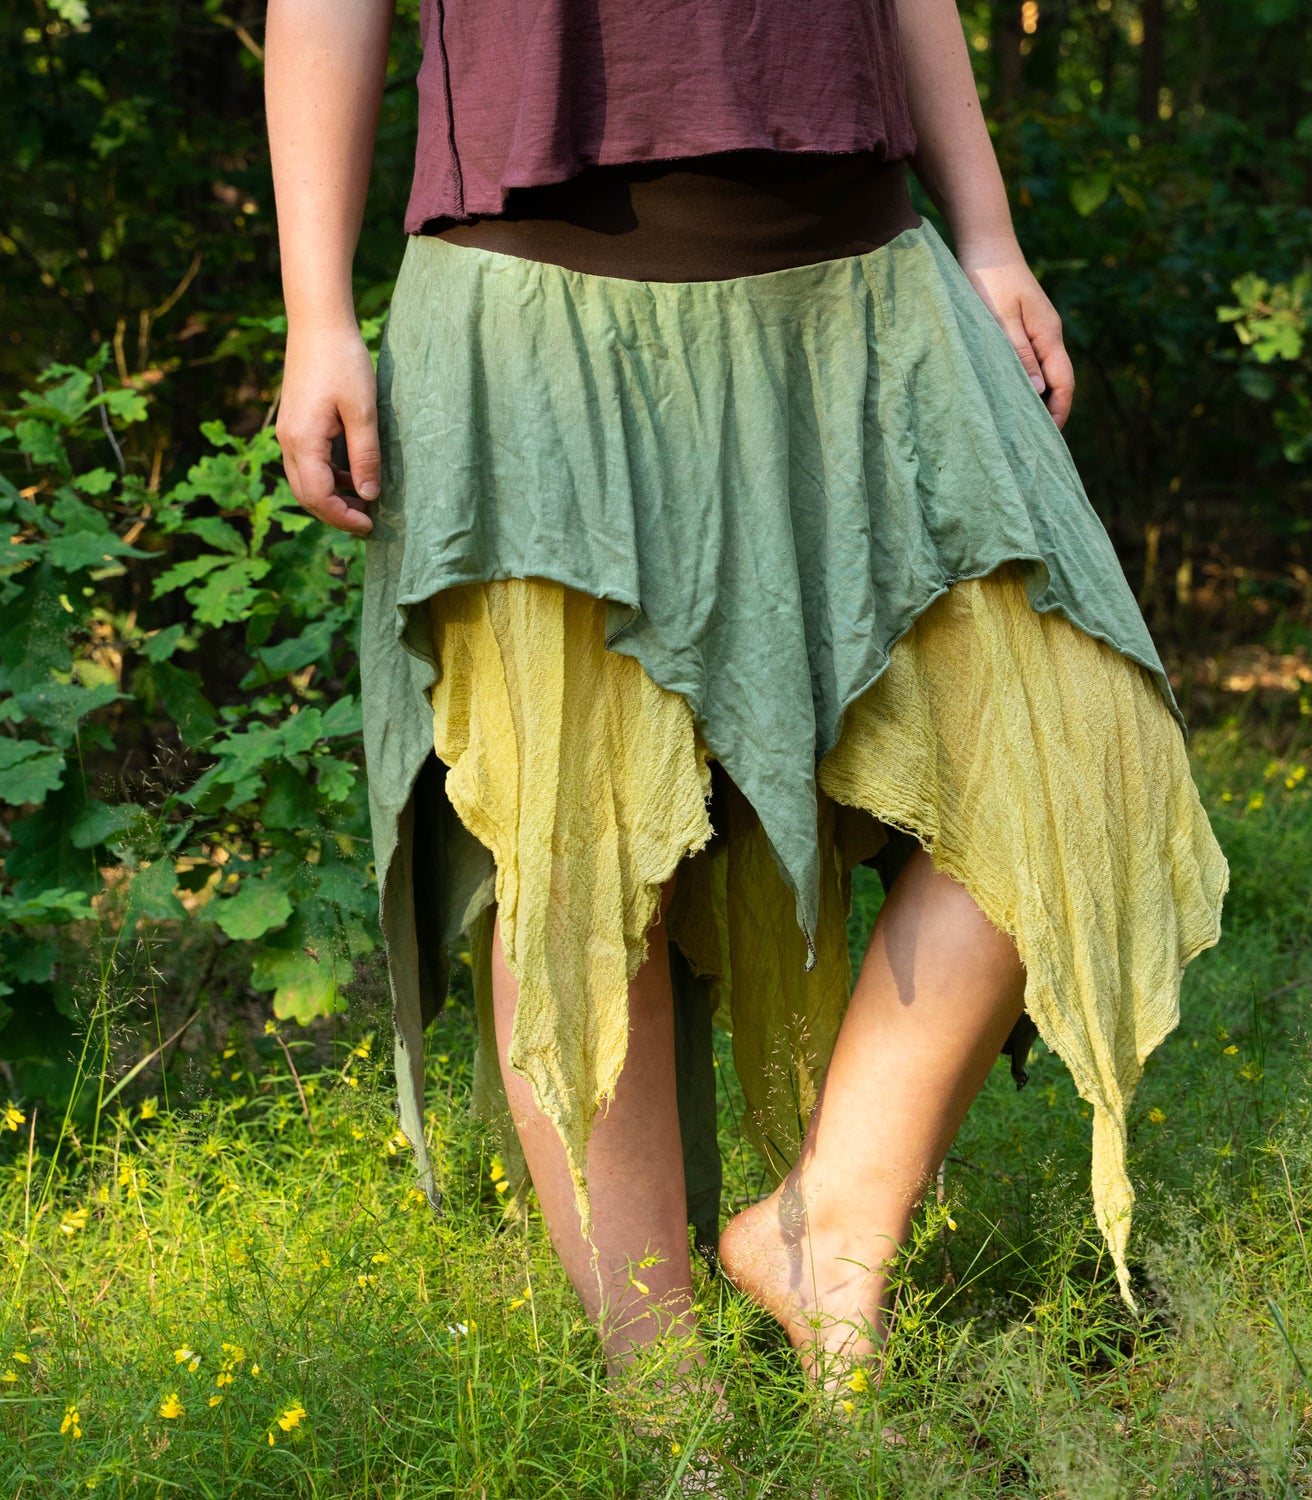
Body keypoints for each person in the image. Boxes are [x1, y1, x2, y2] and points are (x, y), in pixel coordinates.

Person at [265, 0, 1228, 1392]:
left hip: (864, 286)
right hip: (536, 308)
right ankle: (664, 1403)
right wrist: (316, 313)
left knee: (1091, 746)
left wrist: (990, 235)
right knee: (579, 849)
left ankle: (821, 1230)